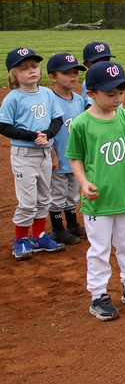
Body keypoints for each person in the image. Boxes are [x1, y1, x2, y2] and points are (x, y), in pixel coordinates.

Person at [66, 61, 125, 321]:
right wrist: (83, 183)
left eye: (121, 92)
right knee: (99, 249)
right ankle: (98, 295)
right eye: (111, 94)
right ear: (91, 93)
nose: (118, 99)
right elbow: (75, 158)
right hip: (98, 201)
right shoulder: (82, 124)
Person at [1, 48, 66, 260]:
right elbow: (3, 126)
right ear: (14, 74)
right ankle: (20, 240)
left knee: (44, 197)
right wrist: (32, 136)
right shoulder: (13, 98)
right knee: (28, 200)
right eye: (24, 68)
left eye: (35, 66)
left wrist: (47, 134)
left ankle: (38, 236)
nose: (32, 71)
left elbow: (57, 119)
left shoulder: (47, 93)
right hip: (24, 155)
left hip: (45, 153)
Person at [46, 53, 89, 244]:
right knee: (57, 195)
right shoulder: (49, 100)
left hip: (75, 157)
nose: (73, 76)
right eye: (66, 73)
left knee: (72, 193)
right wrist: (52, 153)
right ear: (52, 77)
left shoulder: (80, 100)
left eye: (75, 73)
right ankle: (57, 229)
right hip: (58, 157)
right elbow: (46, 130)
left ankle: (72, 224)